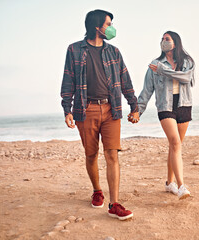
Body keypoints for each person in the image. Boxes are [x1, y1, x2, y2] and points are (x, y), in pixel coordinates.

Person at [60, 9, 139, 220]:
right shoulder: (75, 50)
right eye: (108, 24)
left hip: (111, 109)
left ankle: (114, 204)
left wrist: (134, 105)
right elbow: (68, 80)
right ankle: (97, 190)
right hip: (85, 110)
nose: (111, 28)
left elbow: (125, 80)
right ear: (97, 27)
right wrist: (66, 109)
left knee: (112, 154)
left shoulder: (114, 52)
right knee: (91, 154)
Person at [137, 31, 195, 200]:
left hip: (184, 105)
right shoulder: (155, 65)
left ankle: (169, 183)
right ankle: (181, 186)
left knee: (174, 146)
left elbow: (186, 78)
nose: (164, 41)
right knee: (176, 143)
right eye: (162, 39)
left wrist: (164, 71)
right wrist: (138, 111)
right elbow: (147, 90)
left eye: (167, 39)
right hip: (165, 107)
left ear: (175, 43)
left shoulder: (187, 62)